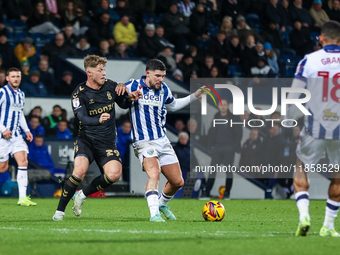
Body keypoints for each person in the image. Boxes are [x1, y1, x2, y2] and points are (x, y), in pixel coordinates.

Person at [52, 55, 141, 221]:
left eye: (104, 69)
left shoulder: (111, 86)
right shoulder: (79, 93)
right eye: (100, 70)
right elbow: (82, 118)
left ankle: (81, 195)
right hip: (87, 140)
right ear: (89, 72)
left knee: (114, 174)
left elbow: (123, 103)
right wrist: (97, 120)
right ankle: (60, 211)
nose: (104, 73)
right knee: (79, 172)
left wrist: (130, 98)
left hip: (107, 142)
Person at [125, 59, 206, 222]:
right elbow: (113, 93)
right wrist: (118, 89)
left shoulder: (163, 89)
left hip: (162, 141)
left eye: (163, 76)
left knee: (177, 181)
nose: (160, 79)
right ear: (148, 73)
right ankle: (154, 214)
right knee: (154, 174)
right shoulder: (132, 85)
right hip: (144, 142)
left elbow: (173, 105)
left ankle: (162, 204)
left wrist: (195, 96)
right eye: (157, 76)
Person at [287, 21, 340, 237]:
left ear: (321, 38)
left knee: (300, 165)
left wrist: (291, 119)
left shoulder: (309, 60)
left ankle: (304, 216)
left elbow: (294, 95)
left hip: (314, 127)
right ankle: (328, 225)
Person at [0, 67, 36, 206]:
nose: (16, 79)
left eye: (18, 76)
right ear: (7, 78)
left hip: (16, 136)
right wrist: (3, 129)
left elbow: (20, 113)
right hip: (2, 137)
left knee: (23, 162)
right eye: (13, 76)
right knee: (2, 168)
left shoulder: (21, 94)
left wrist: (26, 130)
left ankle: (22, 198)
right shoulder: (2, 92)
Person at [200, 99, 242, 200]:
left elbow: (239, 133)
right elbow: (212, 133)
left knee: (228, 171)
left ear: (228, 106)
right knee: (212, 170)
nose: (222, 106)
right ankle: (206, 193)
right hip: (217, 147)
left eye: (225, 104)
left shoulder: (234, 118)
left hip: (229, 147)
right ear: (218, 106)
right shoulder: (216, 117)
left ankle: (227, 193)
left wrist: (233, 147)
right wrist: (211, 146)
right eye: (220, 104)